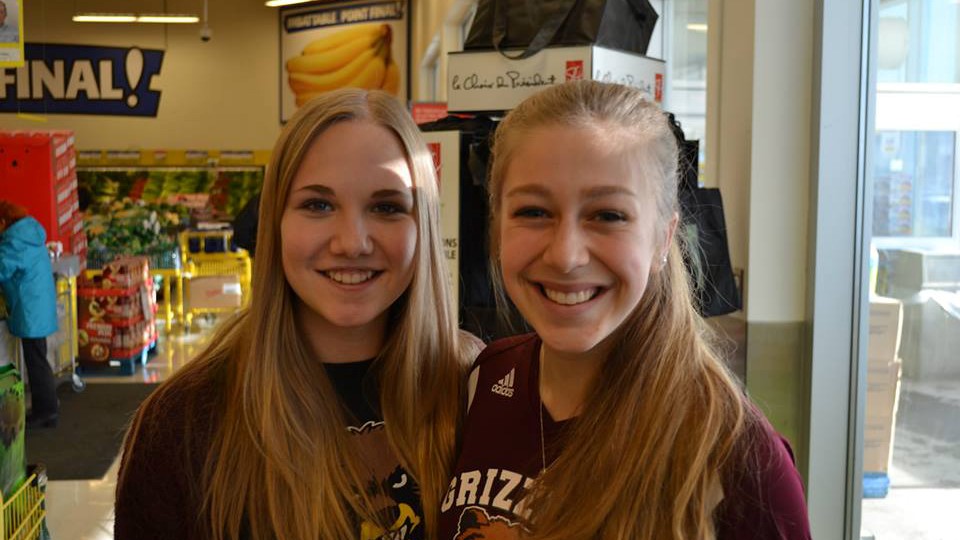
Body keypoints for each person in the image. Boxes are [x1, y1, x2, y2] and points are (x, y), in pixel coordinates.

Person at [438, 81, 811, 539]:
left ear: (663, 237)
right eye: (533, 212)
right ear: (497, 227)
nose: (566, 256)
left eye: (608, 215)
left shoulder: (739, 460)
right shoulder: (485, 379)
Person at [115, 89, 478, 540]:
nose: (352, 243)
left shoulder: (480, 386)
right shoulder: (182, 424)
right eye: (318, 205)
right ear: (275, 223)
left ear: (422, 224)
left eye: (386, 207)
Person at [0, 201, 59, 428]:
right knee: (38, 359)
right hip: (37, 305)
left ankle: (46, 411)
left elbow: (2, 269)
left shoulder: (15, 242)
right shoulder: (28, 235)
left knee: (36, 361)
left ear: (3, 222)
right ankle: (47, 407)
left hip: (29, 308)